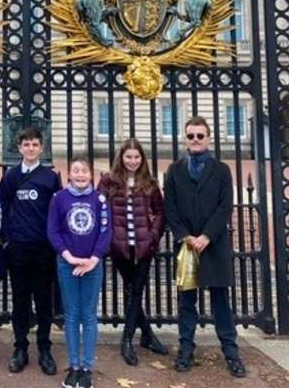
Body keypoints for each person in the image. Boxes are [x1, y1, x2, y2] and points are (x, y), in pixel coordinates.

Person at [163, 116, 247, 378]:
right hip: (188, 245)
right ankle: (186, 349)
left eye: (200, 135)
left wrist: (207, 235)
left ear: (209, 138)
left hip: (215, 243)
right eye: (191, 136)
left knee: (221, 301)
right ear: (185, 139)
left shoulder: (221, 170)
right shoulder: (174, 170)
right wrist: (185, 236)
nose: (196, 140)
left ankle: (231, 352)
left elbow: (225, 206)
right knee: (187, 301)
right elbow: (171, 208)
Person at [97, 138, 168, 366]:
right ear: (121, 157)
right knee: (131, 290)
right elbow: (100, 211)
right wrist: (109, 240)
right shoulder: (108, 182)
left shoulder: (149, 183)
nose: (132, 161)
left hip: (144, 246)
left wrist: (153, 237)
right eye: (129, 157)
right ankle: (147, 334)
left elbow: (160, 212)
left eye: (136, 157)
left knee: (136, 290)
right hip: (119, 247)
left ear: (142, 159)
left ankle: (127, 340)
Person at [0, 126, 61, 375]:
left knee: (44, 301)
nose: (31, 148)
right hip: (19, 248)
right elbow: (1, 206)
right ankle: (20, 347)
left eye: (35, 144)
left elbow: (57, 212)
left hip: (43, 248)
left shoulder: (50, 177)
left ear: (41, 148)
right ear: (20, 148)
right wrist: (6, 241)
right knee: (20, 300)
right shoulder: (11, 176)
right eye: (27, 144)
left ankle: (44, 348)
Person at [47, 157, 111, 388]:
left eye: (84, 171)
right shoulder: (59, 199)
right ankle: (74, 366)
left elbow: (105, 230)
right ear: (69, 175)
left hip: (92, 264)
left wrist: (94, 259)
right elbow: (53, 231)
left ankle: (87, 367)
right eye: (76, 171)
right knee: (72, 315)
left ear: (90, 175)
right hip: (68, 263)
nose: (81, 175)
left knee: (89, 316)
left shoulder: (99, 199)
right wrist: (69, 256)